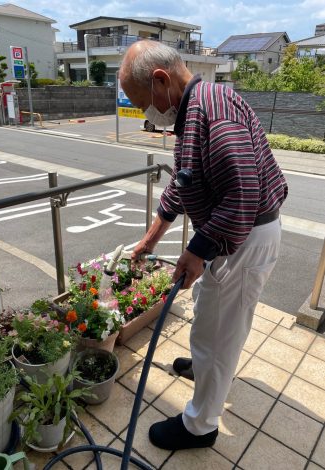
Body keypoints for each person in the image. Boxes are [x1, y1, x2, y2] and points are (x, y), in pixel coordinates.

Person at [119, 40, 288, 451]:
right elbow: (183, 185)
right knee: (209, 312)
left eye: (143, 104)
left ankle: (200, 426)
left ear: (161, 80)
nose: (147, 115)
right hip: (229, 236)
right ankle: (203, 366)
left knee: (222, 333)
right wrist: (148, 241)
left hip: (245, 237)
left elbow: (243, 192)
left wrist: (195, 252)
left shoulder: (213, 106)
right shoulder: (194, 110)